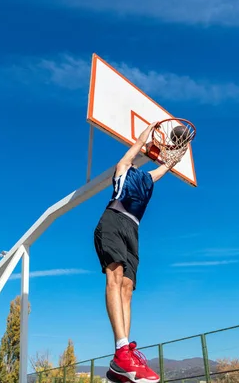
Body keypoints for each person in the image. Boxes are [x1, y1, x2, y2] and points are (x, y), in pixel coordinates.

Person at [94, 121, 181, 383]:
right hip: (113, 221)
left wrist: (179, 148)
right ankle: (121, 348)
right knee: (116, 276)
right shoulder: (122, 170)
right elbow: (133, 151)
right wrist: (151, 131)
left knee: (128, 288)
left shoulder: (146, 179)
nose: (133, 162)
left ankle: (122, 362)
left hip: (133, 231)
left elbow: (164, 168)